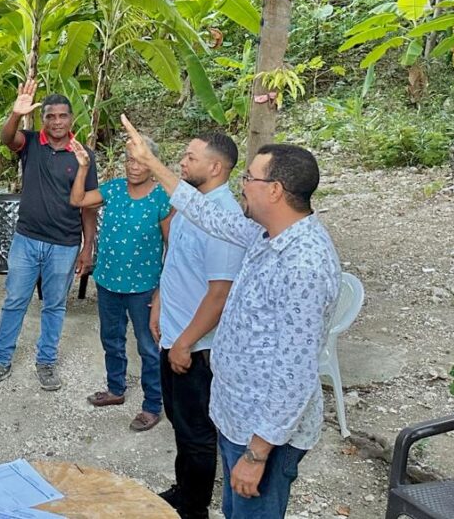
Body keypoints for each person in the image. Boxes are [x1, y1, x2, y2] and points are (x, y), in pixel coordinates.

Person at [121, 115, 340, 519]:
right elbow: (206, 214)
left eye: (250, 178)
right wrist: (151, 163)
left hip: (262, 430)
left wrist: (257, 455)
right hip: (238, 414)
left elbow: (295, 372)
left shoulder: (303, 265)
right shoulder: (265, 235)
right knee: (235, 509)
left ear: (274, 190)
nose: (242, 184)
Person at [0, 79, 98, 392]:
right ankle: (0, 361)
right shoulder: (31, 143)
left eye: (62, 116)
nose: (56, 122)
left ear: (71, 119)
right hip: (27, 239)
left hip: (65, 244)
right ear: (42, 119)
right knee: (15, 301)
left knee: (55, 305)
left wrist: (87, 247)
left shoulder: (84, 155)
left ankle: (46, 362)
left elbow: (88, 207)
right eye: (50, 116)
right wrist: (16, 114)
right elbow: (7, 138)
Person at [151, 132, 245, 519]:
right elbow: (175, 260)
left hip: (197, 346)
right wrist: (159, 304)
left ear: (216, 167)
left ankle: (195, 509)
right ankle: (183, 490)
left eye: (191, 157)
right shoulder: (190, 206)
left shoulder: (224, 219)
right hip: (173, 335)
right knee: (179, 422)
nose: (183, 162)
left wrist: (185, 343)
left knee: (198, 434)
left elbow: (219, 295)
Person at [67, 136, 172, 432]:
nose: (134, 167)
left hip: (144, 287)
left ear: (152, 164)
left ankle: (152, 405)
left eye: (141, 161)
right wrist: (83, 167)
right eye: (129, 160)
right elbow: (77, 200)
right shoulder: (113, 189)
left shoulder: (162, 198)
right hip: (108, 281)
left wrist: (162, 290)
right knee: (111, 338)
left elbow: (172, 246)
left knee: (148, 346)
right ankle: (116, 389)